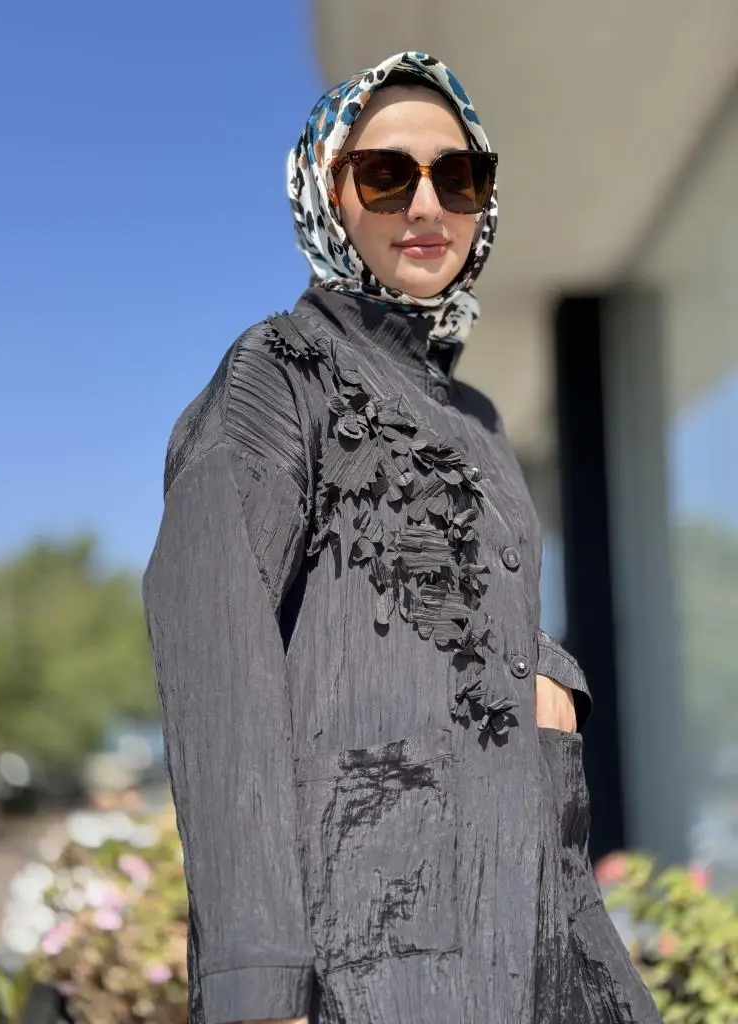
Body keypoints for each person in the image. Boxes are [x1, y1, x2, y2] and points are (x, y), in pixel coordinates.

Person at [143, 51, 662, 1024]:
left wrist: (551, 676)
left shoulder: (477, 417)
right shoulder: (281, 372)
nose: (427, 205)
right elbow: (216, 652)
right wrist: (260, 985)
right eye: (387, 174)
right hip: (374, 946)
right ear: (328, 192)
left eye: (457, 175)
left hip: (536, 917)